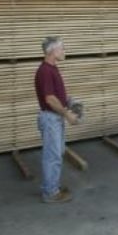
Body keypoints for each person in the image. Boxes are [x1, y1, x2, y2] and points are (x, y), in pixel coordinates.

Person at [34, 36, 80, 204]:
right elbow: (49, 99)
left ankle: (53, 186)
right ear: (52, 51)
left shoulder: (53, 68)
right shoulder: (45, 71)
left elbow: (56, 94)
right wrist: (67, 114)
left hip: (55, 117)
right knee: (52, 156)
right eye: (62, 48)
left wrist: (69, 101)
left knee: (57, 153)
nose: (64, 51)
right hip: (51, 118)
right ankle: (50, 193)